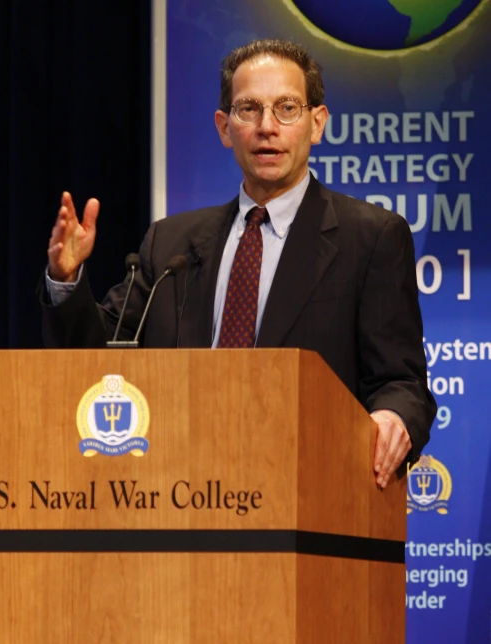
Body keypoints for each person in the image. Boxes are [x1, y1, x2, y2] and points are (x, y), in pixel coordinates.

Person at [40, 38, 436, 489]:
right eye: (249, 109)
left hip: (307, 492)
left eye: (287, 108)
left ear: (317, 123)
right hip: (173, 488)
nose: (267, 126)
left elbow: (403, 383)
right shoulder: (172, 243)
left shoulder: (370, 238)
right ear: (225, 128)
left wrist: (391, 417)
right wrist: (66, 280)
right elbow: (98, 361)